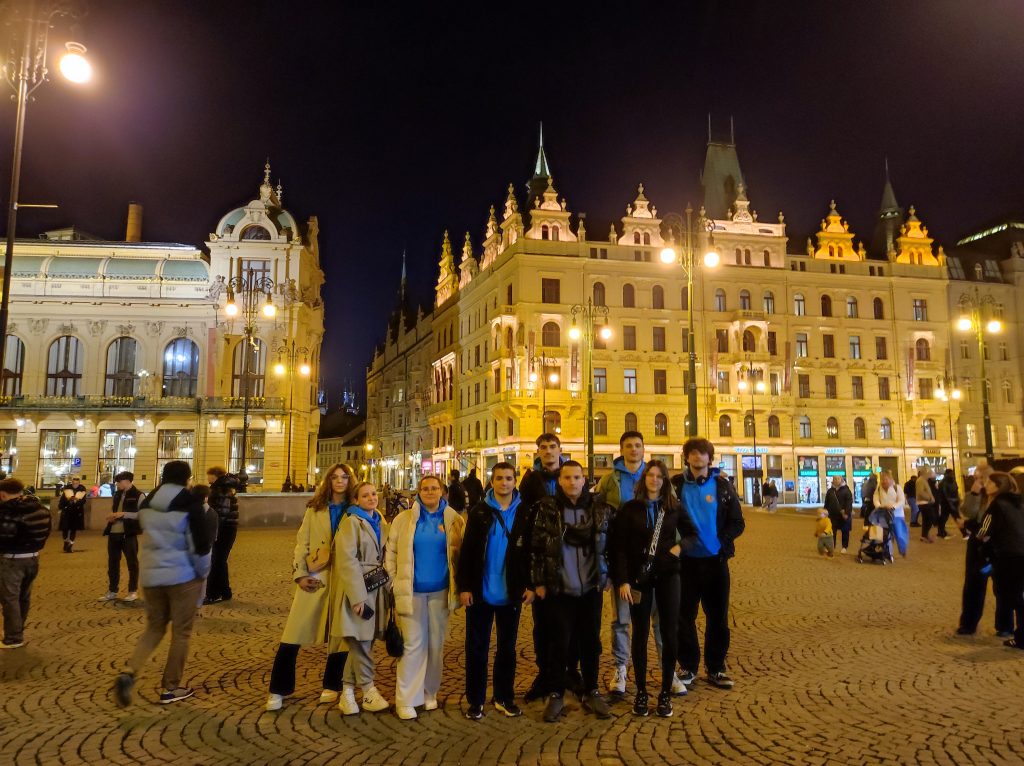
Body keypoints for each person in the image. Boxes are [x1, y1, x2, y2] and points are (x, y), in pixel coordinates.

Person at [113, 460, 212, 706]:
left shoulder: (148, 502)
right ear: (187, 478)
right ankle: (170, 688)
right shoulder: (190, 503)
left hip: (151, 575)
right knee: (181, 633)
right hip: (182, 575)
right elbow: (200, 545)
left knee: (154, 628)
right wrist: (202, 573)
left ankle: (130, 671)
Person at [265, 464, 355, 712]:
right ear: (328, 481)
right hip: (317, 575)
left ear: (350, 481)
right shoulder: (316, 509)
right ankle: (278, 688)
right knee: (293, 632)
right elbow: (302, 543)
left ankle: (332, 684)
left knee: (340, 634)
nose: (340, 481)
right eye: (335, 477)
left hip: (344, 577)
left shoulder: (355, 509)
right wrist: (300, 574)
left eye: (344, 477)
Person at [530, 461, 613, 722]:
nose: (572, 482)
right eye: (567, 478)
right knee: (559, 643)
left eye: (577, 477)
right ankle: (556, 692)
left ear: (584, 480)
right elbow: (537, 547)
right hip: (560, 588)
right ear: (560, 481)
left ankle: (591, 690)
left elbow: (608, 543)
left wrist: (607, 574)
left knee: (591, 642)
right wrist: (539, 582)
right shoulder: (548, 507)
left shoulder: (598, 507)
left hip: (590, 588)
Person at [456, 462, 532, 720]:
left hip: (511, 591)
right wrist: (465, 587)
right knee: (477, 648)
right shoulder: (479, 511)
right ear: (492, 481)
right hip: (481, 592)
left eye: (508, 478)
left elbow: (530, 552)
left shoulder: (524, 512)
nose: (504, 483)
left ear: (514, 481)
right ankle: (475, 700)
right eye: (499, 478)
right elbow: (467, 552)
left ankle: (503, 696)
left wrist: (530, 585)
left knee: (507, 649)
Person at [607, 460, 683, 718]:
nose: (655, 480)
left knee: (669, 632)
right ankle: (641, 691)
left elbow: (693, 535)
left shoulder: (674, 508)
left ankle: (665, 692)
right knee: (640, 633)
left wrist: (677, 550)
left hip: (669, 576)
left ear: (665, 480)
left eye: (660, 476)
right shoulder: (630, 509)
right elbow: (619, 547)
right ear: (644, 479)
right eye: (651, 475)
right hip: (639, 579)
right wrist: (623, 580)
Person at [386, 474, 465, 720]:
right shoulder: (403, 519)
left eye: (434, 488)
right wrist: (393, 581)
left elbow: (460, 555)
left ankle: (429, 691)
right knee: (412, 644)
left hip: (441, 591)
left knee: (435, 644)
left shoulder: (454, 519)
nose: (430, 492)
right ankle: (407, 699)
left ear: (442, 491)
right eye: (425, 488)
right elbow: (391, 552)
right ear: (418, 492)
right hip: (412, 591)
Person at [676, 437, 745, 690]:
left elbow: (737, 522)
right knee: (684, 617)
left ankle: (715, 667)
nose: (697, 457)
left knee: (718, 618)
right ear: (686, 458)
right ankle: (688, 666)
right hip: (686, 563)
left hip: (715, 562)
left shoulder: (723, 486)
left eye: (702, 453)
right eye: (693, 453)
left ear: (710, 458)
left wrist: (719, 542)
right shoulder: (676, 486)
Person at [332, 481, 392, 715]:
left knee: (363, 640)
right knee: (362, 642)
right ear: (356, 500)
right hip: (358, 589)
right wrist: (357, 598)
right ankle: (368, 690)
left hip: (376, 587)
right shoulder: (350, 522)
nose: (371, 498)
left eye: (374, 494)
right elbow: (346, 561)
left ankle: (347, 693)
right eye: (365, 495)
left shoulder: (379, 522)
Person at [595, 431, 645, 695]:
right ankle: (621, 668)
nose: (633, 449)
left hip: (649, 560)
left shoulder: (654, 475)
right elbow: (598, 516)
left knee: (656, 621)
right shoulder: (609, 480)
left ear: (643, 449)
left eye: (637, 445)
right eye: (629, 446)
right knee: (621, 620)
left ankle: (665, 669)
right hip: (620, 558)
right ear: (621, 449)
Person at [518, 432, 565, 701]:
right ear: (538, 452)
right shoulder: (531, 480)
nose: (548, 451)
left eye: (552, 446)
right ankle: (544, 673)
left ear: (560, 450)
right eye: (544, 447)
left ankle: (567, 673)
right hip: (539, 558)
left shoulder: (569, 474)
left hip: (566, 559)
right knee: (542, 623)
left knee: (568, 622)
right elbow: (524, 515)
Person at [956, 464, 1014, 636]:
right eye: (975, 478)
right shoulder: (978, 496)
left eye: (979, 478)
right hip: (978, 547)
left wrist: (968, 525)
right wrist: (974, 494)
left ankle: (1005, 626)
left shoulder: (1002, 500)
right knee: (974, 585)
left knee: (1002, 587)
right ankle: (969, 623)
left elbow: (985, 525)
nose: (977, 482)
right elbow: (967, 511)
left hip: (997, 547)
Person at [0, 478, 51, 649]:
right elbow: (47, 531)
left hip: (12, 559)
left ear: (3, 494)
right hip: (33, 558)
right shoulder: (40, 509)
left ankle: (13, 637)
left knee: (10, 598)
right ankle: (17, 630)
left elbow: (4, 537)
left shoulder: (8, 511)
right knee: (23, 597)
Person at [977, 472, 1024, 650]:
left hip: (1008, 556)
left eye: (990, 483)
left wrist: (979, 536)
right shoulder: (1019, 502)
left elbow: (983, 531)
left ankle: (1017, 635)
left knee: (1011, 597)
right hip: (1021, 553)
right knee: (1019, 595)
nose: (986, 485)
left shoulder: (997, 505)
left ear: (998, 486)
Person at [98, 471, 144, 603]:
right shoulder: (117, 494)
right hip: (113, 532)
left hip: (128, 533)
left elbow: (142, 514)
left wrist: (124, 514)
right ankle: (112, 590)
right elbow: (115, 510)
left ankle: (132, 591)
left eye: (119, 482)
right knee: (112, 563)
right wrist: (112, 517)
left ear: (127, 481)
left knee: (132, 563)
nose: (117, 484)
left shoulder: (139, 495)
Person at [204, 467, 240, 604]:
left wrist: (214, 529)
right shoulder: (225, 487)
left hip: (223, 529)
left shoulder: (220, 489)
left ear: (214, 475)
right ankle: (225, 591)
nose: (207, 478)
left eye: (209, 475)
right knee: (219, 561)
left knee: (216, 561)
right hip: (228, 529)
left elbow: (221, 513)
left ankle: (213, 593)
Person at [189, 485, 218, 615]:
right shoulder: (212, 513)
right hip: (205, 549)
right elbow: (214, 535)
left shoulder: (187, 511)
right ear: (206, 497)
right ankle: (197, 605)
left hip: (189, 549)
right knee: (201, 578)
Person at [873, 471, 907, 557]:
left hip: (897, 515)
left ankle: (902, 549)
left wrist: (893, 506)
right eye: (882, 479)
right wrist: (879, 506)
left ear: (891, 479)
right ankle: (888, 552)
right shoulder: (878, 488)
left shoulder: (897, 488)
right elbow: (875, 499)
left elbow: (902, 501)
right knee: (885, 534)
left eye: (886, 479)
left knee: (899, 534)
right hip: (884, 514)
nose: (884, 481)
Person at [58, 475, 87, 553]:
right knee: (65, 528)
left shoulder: (82, 489)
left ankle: (70, 545)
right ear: (72, 482)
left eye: (77, 483)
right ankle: (65, 542)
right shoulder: (67, 489)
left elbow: (84, 501)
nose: (75, 485)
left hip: (76, 512)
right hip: (67, 511)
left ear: (79, 483)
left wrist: (77, 501)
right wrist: (67, 502)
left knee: (74, 529)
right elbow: (62, 500)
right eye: (74, 483)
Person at [824, 477, 853, 553]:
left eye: (838, 479)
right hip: (832, 515)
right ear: (833, 480)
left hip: (843, 515)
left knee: (845, 531)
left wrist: (847, 512)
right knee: (831, 531)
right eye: (835, 479)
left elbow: (849, 503)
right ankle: (831, 546)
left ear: (841, 480)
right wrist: (825, 512)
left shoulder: (846, 490)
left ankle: (844, 547)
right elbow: (826, 503)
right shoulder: (830, 491)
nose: (836, 480)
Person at [936, 468, 962, 540]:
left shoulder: (952, 481)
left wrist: (957, 499)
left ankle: (941, 532)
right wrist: (951, 501)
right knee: (947, 518)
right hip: (946, 503)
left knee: (949, 517)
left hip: (951, 502)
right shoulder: (943, 482)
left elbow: (956, 490)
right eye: (951, 473)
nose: (952, 475)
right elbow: (945, 494)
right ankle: (941, 532)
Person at [916, 467, 938, 543]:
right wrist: (930, 498)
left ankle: (924, 536)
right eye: (929, 473)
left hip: (925, 502)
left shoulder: (923, 480)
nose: (930, 474)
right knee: (931, 519)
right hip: (923, 503)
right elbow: (921, 492)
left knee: (926, 520)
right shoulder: (921, 480)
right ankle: (925, 535)